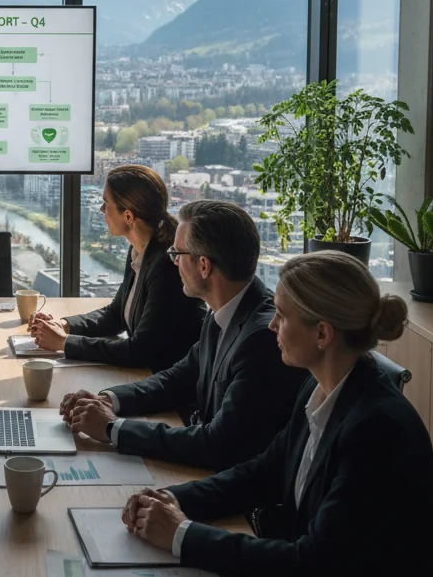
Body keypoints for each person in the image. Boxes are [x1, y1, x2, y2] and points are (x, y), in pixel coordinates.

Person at [122, 251, 433, 577]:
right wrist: (172, 500)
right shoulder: (322, 390)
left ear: (322, 334)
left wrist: (182, 535)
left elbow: (311, 565)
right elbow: (261, 473)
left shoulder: (377, 430)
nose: (271, 325)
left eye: (282, 315)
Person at [61, 200, 305, 469]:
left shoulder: (261, 339)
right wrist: (106, 400)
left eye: (177, 254)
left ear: (203, 266)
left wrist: (112, 428)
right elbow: (177, 379)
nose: (173, 262)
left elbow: (217, 444)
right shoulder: (225, 311)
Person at [28, 165, 205, 371]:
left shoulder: (167, 266)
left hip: (164, 386)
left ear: (128, 216)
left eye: (106, 203)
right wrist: (64, 325)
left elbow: (140, 351)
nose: (102, 209)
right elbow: (116, 315)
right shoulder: (140, 250)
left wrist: (64, 343)